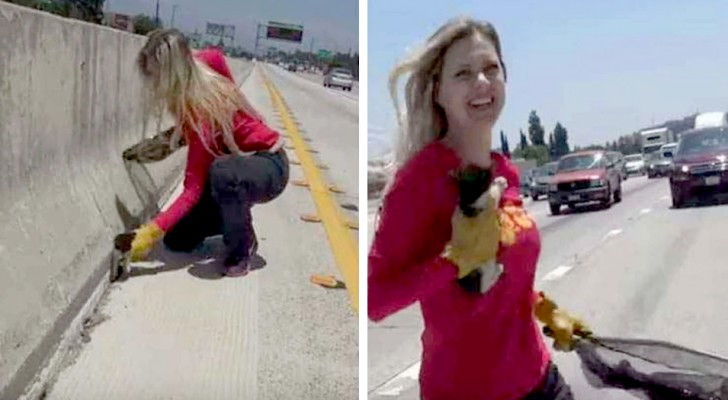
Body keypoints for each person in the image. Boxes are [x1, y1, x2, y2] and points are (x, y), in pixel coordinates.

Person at [368, 17, 590, 399]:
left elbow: (506, 282)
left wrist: (548, 313)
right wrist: (453, 260)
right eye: (464, 73)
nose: (482, 83)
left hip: (539, 383)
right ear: (437, 92)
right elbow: (375, 300)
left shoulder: (505, 172)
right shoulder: (418, 183)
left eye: (491, 69)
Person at [128, 29, 289, 277]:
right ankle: (230, 220)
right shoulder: (208, 66)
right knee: (177, 241)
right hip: (235, 162)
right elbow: (215, 60)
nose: (152, 84)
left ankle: (241, 247)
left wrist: (150, 231)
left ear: (171, 75)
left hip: (269, 165)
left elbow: (192, 190)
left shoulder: (203, 115)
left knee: (221, 173)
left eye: (155, 76)